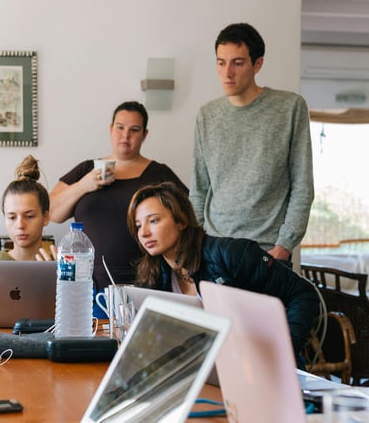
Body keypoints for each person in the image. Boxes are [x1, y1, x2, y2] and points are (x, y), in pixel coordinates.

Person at [127, 182, 319, 355]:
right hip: (209, 365)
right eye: (138, 225)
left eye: (153, 221)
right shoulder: (153, 274)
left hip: (258, 361)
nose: (143, 233)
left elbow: (303, 293)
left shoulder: (231, 254)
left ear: (181, 221)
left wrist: (283, 350)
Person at [191, 22, 314, 262]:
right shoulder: (207, 115)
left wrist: (284, 245)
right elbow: (199, 189)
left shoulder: (289, 107)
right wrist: (196, 244)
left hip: (268, 251)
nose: (227, 73)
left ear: (257, 64)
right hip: (214, 248)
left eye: (238, 63)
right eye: (221, 62)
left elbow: (302, 185)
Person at [50, 101, 187, 292]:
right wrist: (84, 185)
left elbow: (187, 218)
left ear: (144, 135)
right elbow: (52, 212)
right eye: (120, 127)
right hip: (86, 286)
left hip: (148, 284)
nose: (125, 135)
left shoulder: (159, 173)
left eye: (134, 130)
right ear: (111, 128)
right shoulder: (87, 169)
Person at [0, 155, 54, 261]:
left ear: (45, 217)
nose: (20, 225)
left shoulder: (61, 267)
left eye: (29, 216)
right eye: (12, 217)